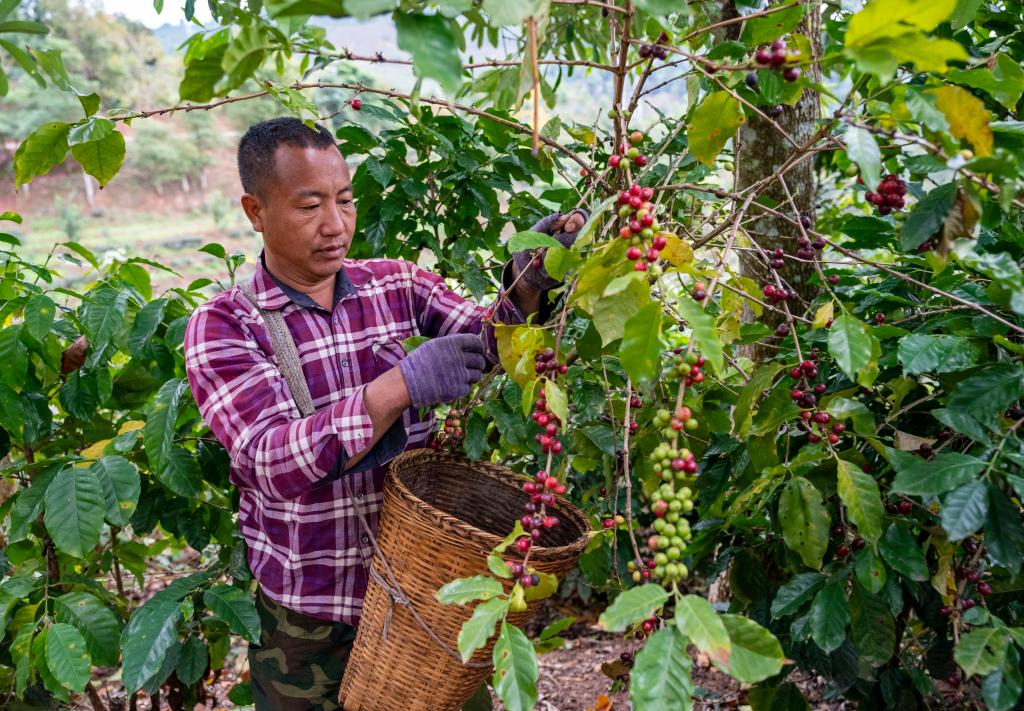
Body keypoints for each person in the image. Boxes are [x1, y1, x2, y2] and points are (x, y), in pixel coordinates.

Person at [183, 116, 585, 710]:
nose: (335, 225)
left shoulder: (394, 284)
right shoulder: (225, 325)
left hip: (421, 595)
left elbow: (488, 343)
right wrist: (397, 387)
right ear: (255, 210)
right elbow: (270, 461)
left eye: (344, 201)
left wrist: (525, 287)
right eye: (309, 206)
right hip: (311, 620)